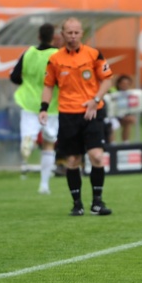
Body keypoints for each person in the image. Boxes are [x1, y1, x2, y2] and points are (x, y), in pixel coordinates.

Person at [39, 17, 114, 216]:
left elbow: (107, 80)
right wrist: (44, 108)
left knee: (96, 155)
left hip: (92, 111)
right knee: (72, 160)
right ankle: (77, 203)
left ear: (82, 34)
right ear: (62, 35)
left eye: (76, 33)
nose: (72, 36)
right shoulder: (55, 59)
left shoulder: (94, 54)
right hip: (68, 114)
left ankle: (97, 202)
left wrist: (95, 99)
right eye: (69, 33)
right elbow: (48, 85)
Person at [10, 23, 60, 194]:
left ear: (38, 37)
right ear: (54, 37)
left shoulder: (28, 52)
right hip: (51, 105)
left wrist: (29, 83)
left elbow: (15, 77)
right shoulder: (57, 55)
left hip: (29, 102)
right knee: (49, 143)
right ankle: (44, 185)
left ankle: (28, 141)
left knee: (29, 133)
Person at [112, 75, 136, 143]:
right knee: (112, 124)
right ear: (119, 84)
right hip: (113, 116)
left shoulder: (131, 93)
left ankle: (126, 143)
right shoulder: (113, 92)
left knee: (128, 122)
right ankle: (113, 144)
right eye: (123, 83)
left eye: (127, 84)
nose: (125, 85)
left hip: (123, 115)